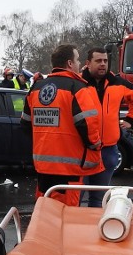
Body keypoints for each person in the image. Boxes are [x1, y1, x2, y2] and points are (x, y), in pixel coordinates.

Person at [21, 44, 103, 205]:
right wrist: (96, 145)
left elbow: (25, 124)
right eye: (78, 60)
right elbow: (87, 124)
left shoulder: (36, 88)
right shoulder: (77, 88)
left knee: (45, 213)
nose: (80, 64)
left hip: (43, 165)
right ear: (70, 64)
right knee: (66, 217)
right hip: (69, 167)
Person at [80, 47, 133, 207]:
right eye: (98, 61)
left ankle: (94, 231)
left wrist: (131, 119)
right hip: (83, 150)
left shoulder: (117, 83)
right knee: (76, 198)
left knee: (98, 199)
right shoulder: (78, 83)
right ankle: (77, 231)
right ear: (88, 63)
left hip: (108, 150)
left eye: (105, 61)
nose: (102, 64)